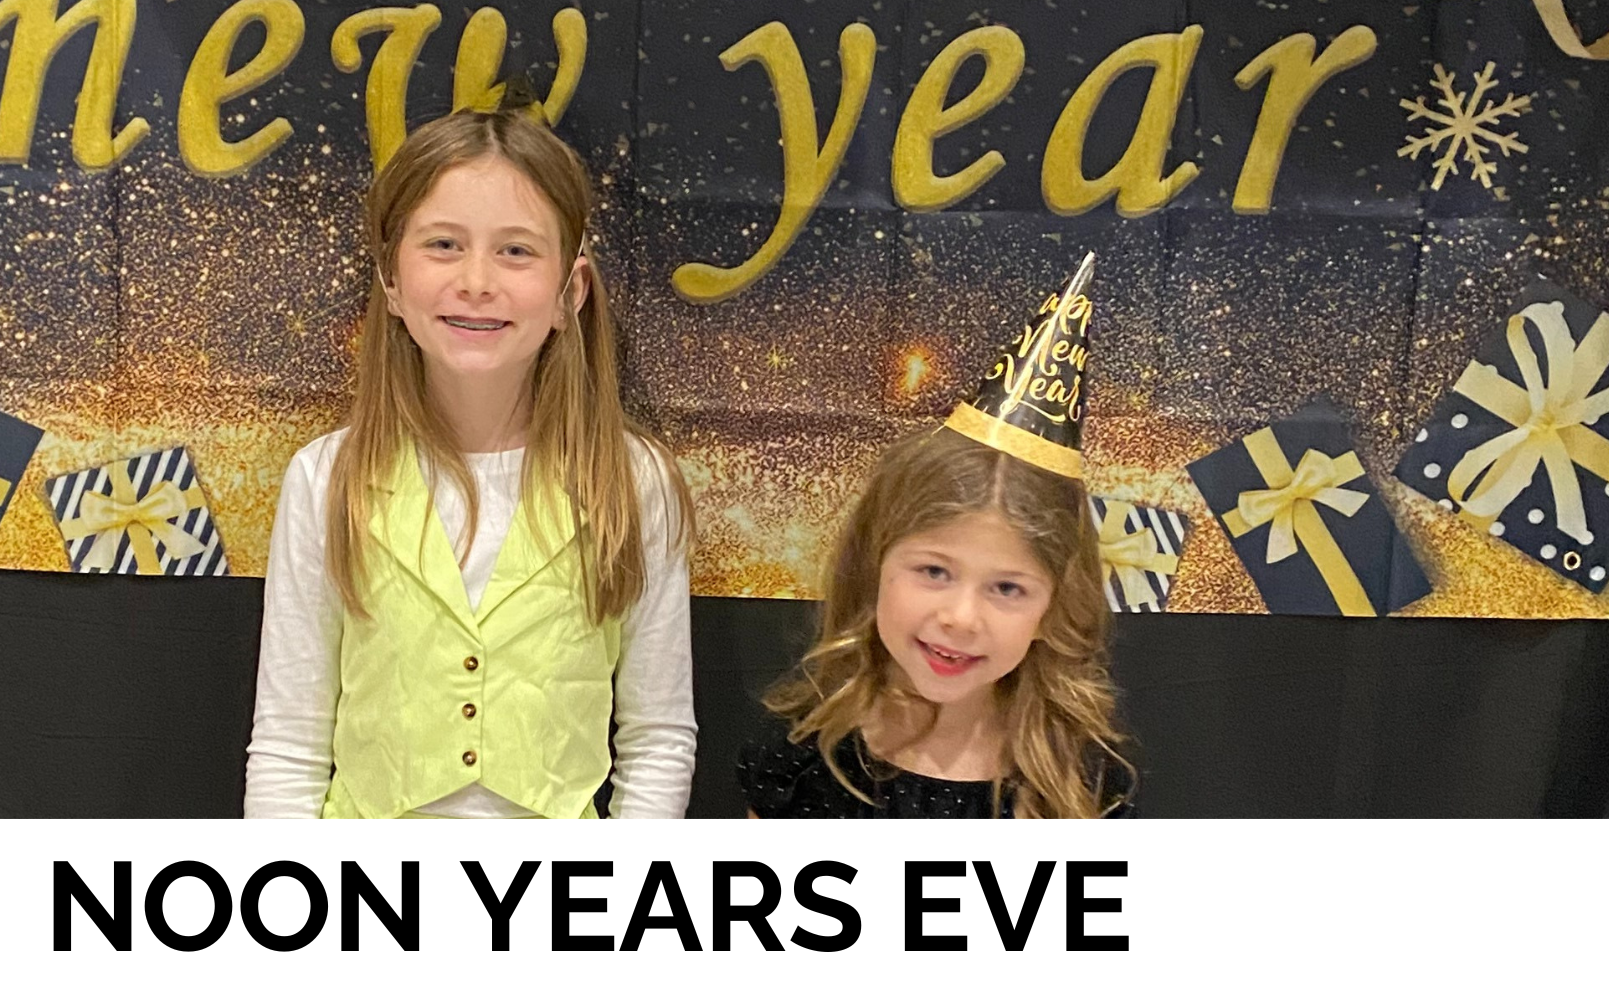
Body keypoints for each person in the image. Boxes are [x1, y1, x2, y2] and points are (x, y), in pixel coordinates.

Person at [244, 96, 697, 819]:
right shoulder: (327, 478)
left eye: (516, 250)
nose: (477, 280)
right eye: (444, 245)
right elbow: (290, 743)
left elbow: (657, 740)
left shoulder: (633, 482)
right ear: (391, 281)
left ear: (568, 291)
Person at [740, 256, 1135, 818]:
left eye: (1007, 588)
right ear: (874, 564)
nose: (961, 617)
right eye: (934, 571)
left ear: (1054, 606)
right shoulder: (802, 764)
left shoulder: (1084, 784)